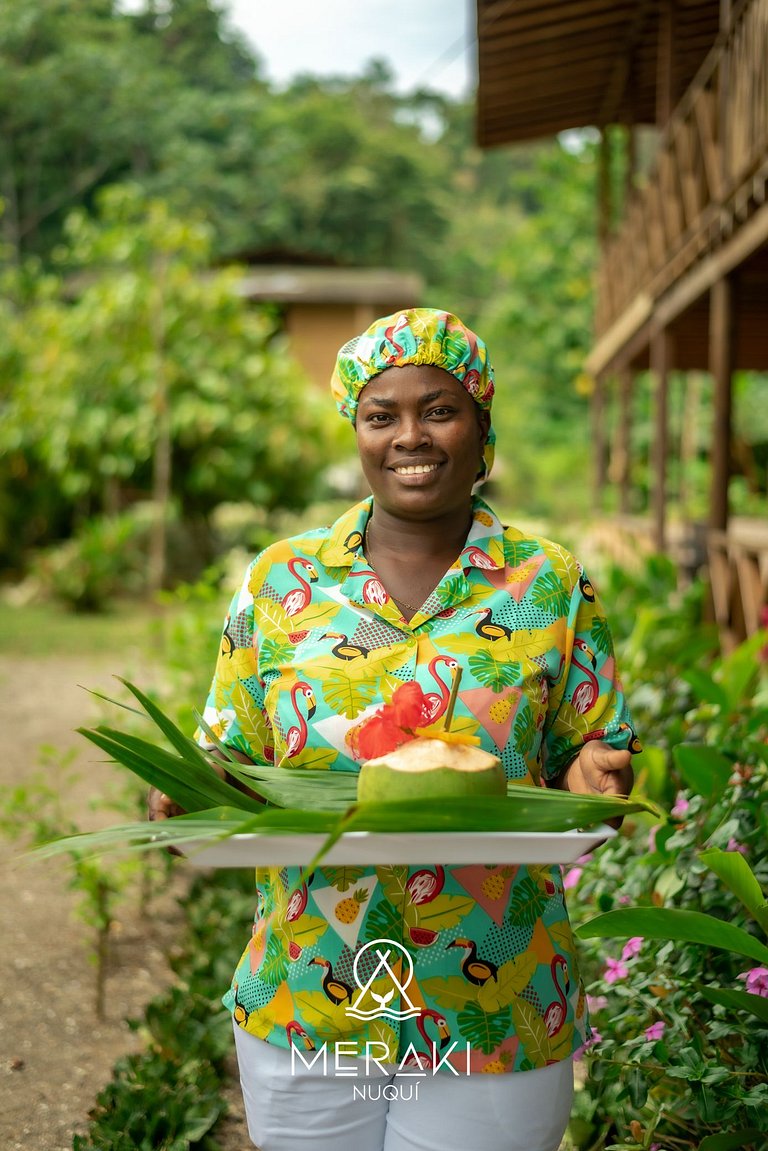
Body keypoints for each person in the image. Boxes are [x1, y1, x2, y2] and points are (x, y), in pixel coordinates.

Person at [149, 307, 637, 1151]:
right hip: (309, 993)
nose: (411, 435)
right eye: (383, 415)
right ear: (358, 433)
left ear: (482, 427)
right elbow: (228, 753)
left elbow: (591, 754)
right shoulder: (281, 580)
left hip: (495, 1001)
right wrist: (189, 791)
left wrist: (596, 776)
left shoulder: (549, 582)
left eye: (439, 409)